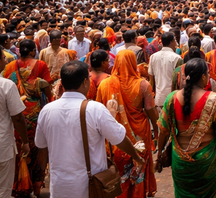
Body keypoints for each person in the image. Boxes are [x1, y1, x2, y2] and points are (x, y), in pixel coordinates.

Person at [35, 60, 144, 198]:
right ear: (85, 82)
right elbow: (120, 139)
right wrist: (137, 157)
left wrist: (41, 176)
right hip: (90, 186)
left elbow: (42, 150)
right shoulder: (94, 109)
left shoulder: (46, 111)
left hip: (59, 185)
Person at [157, 58, 216, 198]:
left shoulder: (171, 98)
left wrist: (159, 154)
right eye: (208, 73)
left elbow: (163, 132)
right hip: (207, 163)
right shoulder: (215, 99)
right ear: (202, 76)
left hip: (181, 163)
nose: (209, 76)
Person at [96, 49, 159, 198]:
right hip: (139, 136)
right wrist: (156, 129)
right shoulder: (143, 85)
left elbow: (98, 110)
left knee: (118, 169)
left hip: (113, 137)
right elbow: (151, 111)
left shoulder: (104, 85)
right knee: (138, 169)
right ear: (134, 63)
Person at [2, 39, 52, 197]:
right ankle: (36, 185)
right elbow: (48, 89)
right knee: (38, 149)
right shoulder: (40, 65)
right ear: (32, 51)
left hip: (16, 113)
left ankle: (18, 184)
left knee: (19, 150)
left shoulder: (10, 66)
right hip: (35, 115)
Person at [0, 44, 29, 198]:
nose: (5, 61)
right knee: (0, 192)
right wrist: (25, 141)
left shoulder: (5, 84)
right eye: (3, 58)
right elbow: (17, 117)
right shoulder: (6, 85)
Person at [148, 32, 182, 113]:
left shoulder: (153, 57)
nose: (176, 43)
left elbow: (151, 81)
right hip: (173, 98)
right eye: (175, 41)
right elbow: (180, 81)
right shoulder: (177, 58)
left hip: (159, 99)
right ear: (171, 42)